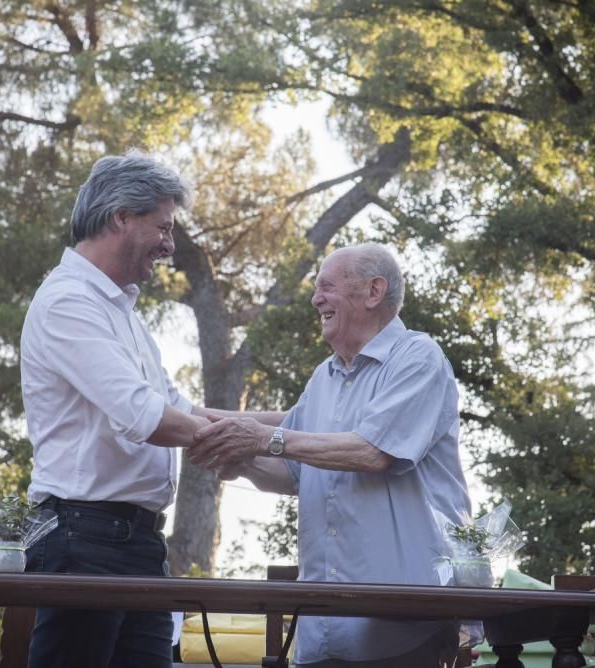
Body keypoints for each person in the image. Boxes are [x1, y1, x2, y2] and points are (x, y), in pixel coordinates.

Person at [21, 150, 283, 668]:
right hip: (84, 540)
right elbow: (146, 416)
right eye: (163, 227)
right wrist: (257, 443)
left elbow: (178, 408)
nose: (169, 245)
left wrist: (295, 421)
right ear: (122, 217)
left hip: (135, 544)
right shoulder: (68, 302)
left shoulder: (123, 313)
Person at [189, 243, 471, 668]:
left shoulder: (418, 357)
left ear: (374, 291)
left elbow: (372, 452)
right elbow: (292, 471)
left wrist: (259, 440)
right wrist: (236, 455)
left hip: (400, 627)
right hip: (321, 627)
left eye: (326, 287)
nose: (315, 298)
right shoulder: (325, 376)